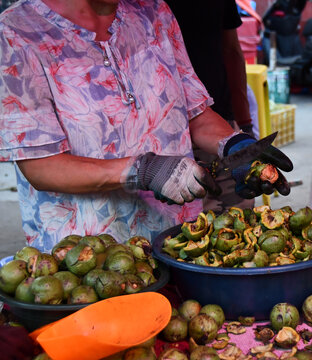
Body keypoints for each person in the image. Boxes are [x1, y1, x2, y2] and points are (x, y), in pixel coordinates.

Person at [0, 0, 292, 254]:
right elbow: (41, 167)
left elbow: (194, 113)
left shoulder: (154, 13)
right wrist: (141, 170)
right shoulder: (16, 33)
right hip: (85, 263)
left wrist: (233, 145)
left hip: (179, 243)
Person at [166, 0, 259, 214]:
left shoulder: (157, 13)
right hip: (166, 139)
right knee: (193, 223)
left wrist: (242, 128)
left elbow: (232, 53)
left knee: (239, 217)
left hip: (217, 124)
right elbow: (232, 52)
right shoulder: (146, 9)